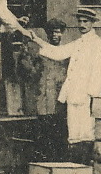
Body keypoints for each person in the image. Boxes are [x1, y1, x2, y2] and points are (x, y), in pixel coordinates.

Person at [32, 8, 101, 165]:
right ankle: (75, 168)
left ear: (92, 23)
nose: (82, 24)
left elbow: (99, 70)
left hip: (86, 94)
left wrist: (92, 94)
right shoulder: (78, 42)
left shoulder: (97, 43)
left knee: (86, 131)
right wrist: (37, 40)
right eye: (80, 21)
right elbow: (59, 53)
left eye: (85, 21)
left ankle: (85, 166)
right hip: (73, 93)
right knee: (74, 130)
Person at [20, 18, 69, 160]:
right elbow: (30, 73)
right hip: (44, 99)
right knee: (44, 131)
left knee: (61, 130)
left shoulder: (67, 53)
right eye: (51, 33)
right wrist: (25, 54)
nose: (54, 35)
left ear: (62, 34)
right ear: (47, 35)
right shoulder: (40, 53)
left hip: (61, 99)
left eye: (58, 32)